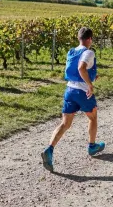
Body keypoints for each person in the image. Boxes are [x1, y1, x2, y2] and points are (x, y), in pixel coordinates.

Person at [41, 27, 105, 172]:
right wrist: (89, 84)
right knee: (93, 117)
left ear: (79, 38)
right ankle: (92, 146)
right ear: (89, 39)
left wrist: (92, 77)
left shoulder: (71, 51)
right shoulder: (89, 52)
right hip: (82, 91)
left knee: (65, 124)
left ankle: (49, 149)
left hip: (69, 90)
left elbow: (75, 71)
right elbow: (81, 68)